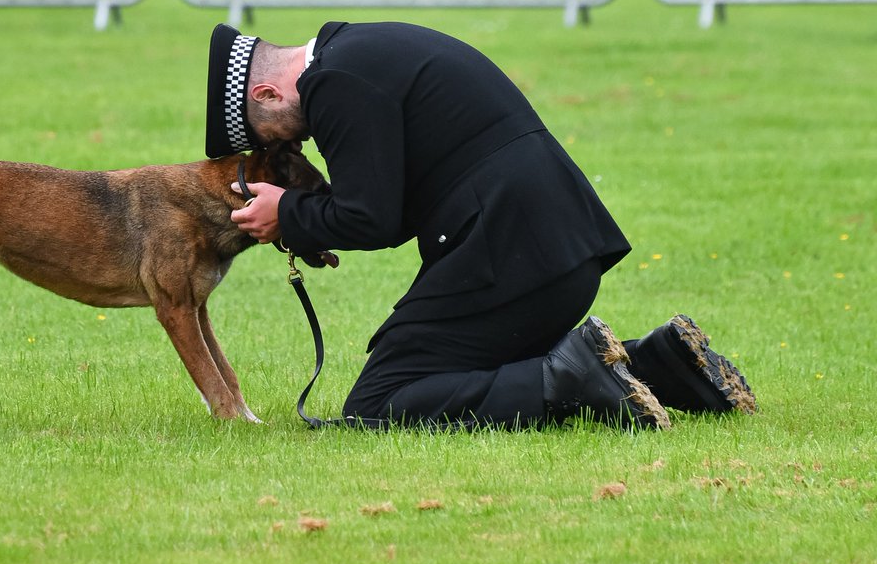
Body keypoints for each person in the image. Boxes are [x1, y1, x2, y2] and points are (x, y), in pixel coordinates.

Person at [204, 22, 755, 430]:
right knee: (445, 372)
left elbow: (368, 218)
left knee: (381, 400)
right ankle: (662, 365)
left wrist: (287, 212)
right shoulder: (362, 54)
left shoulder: (336, 82)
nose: (288, 147)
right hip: (547, 252)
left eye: (271, 135)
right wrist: (306, 225)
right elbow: (390, 213)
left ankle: (573, 373)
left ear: (267, 94)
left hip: (511, 257)